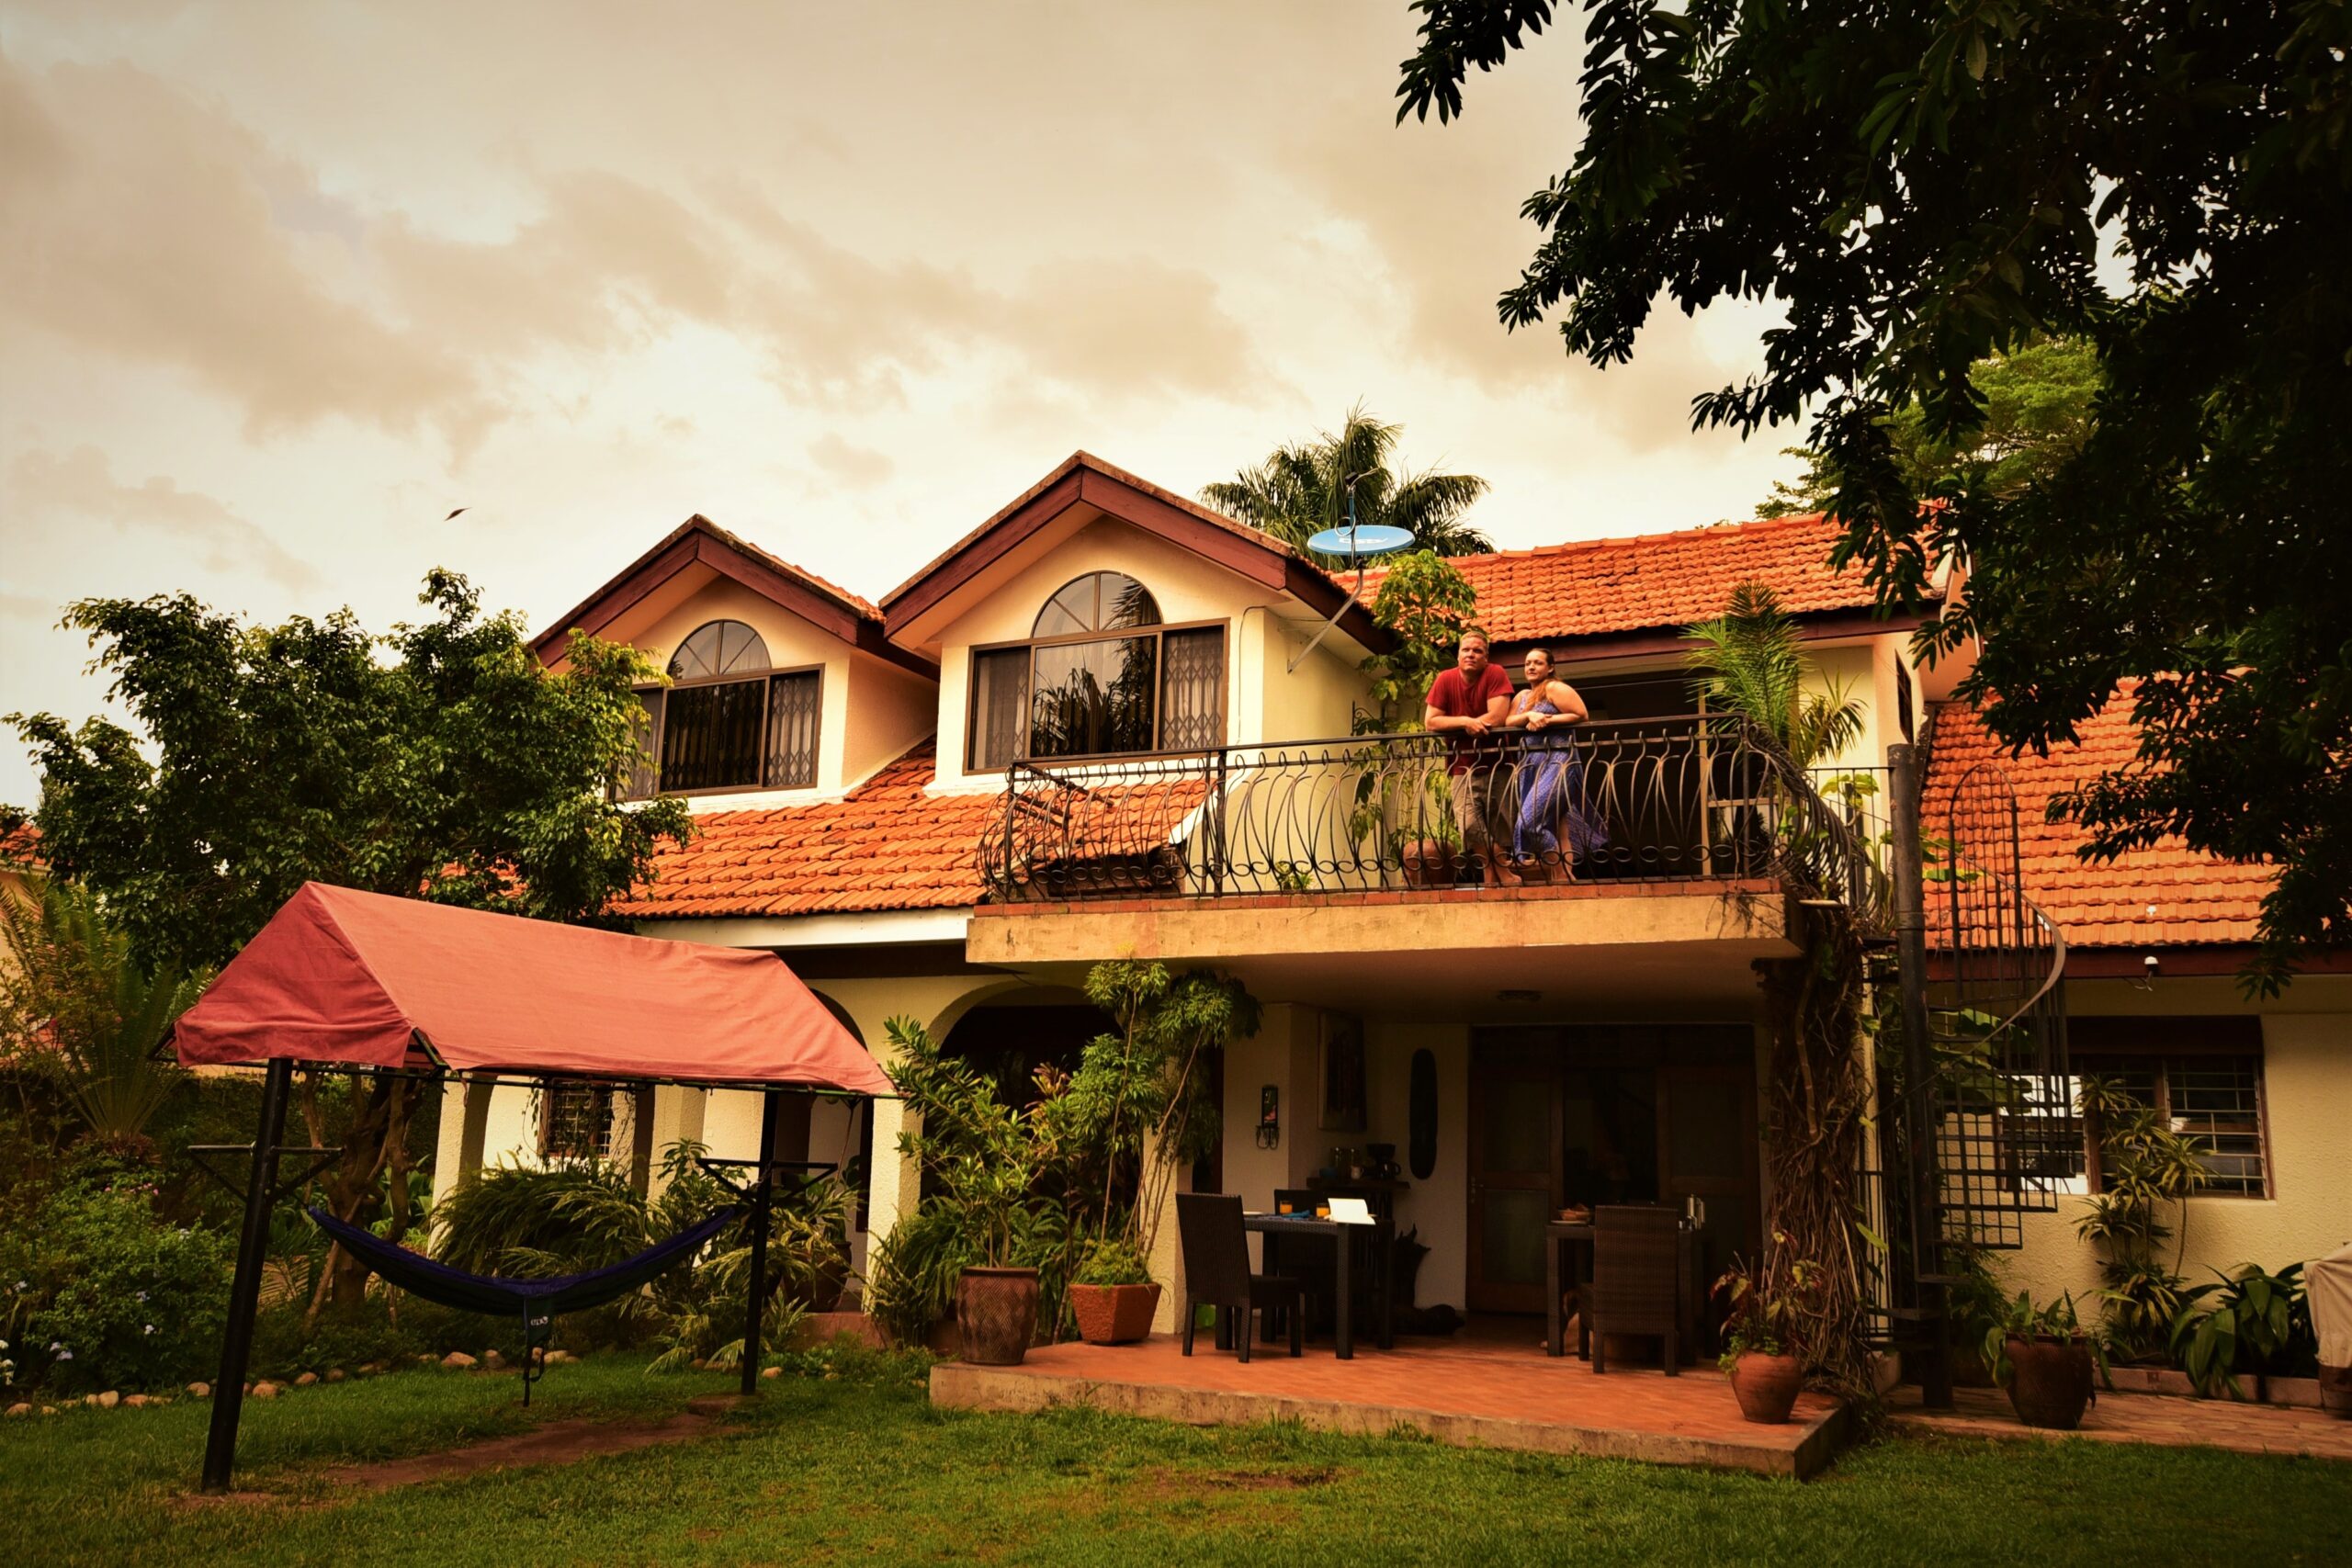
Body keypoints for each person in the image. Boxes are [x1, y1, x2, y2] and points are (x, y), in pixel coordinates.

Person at [1422, 630, 1515, 885]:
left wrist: (1463, 724)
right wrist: (1465, 722)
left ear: (1486, 657)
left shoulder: (1494, 673)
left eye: (1477, 651)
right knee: (1468, 822)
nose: (1471, 655)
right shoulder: (1445, 679)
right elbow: (1431, 721)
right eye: (1466, 650)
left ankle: (1490, 876)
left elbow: (1497, 716)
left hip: (1498, 762)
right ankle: (1501, 870)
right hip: (1461, 765)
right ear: (1458, 655)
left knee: (1499, 823)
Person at [1503, 647, 1604, 879]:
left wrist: (1546, 719)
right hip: (1530, 763)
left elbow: (1581, 714)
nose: (1531, 667)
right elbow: (1508, 720)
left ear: (1550, 667)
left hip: (1557, 760)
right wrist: (1529, 715)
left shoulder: (1555, 688)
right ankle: (1567, 874)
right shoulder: (1521, 697)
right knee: (1559, 822)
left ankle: (1560, 875)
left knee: (1531, 821)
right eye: (1528, 663)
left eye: (1538, 663)